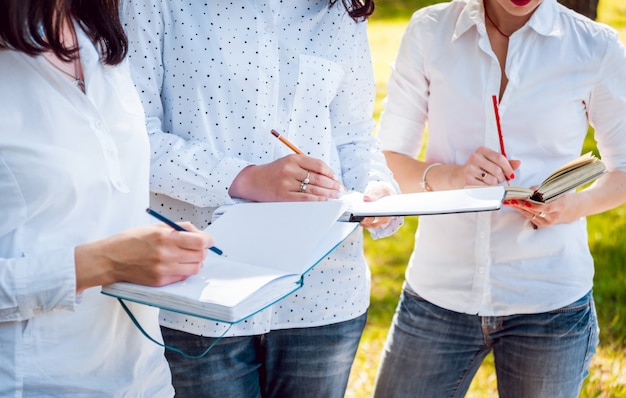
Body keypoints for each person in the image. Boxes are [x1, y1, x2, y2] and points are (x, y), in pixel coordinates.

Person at [123, 0, 401, 396]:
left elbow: (353, 134)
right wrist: (248, 179)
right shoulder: (154, 6)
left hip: (323, 290)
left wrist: (376, 187)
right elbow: (133, 138)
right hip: (204, 291)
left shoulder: (341, 11)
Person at [372, 0, 626, 396]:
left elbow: (623, 168)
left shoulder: (595, 45)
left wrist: (571, 206)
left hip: (549, 301)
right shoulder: (430, 30)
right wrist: (451, 176)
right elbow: (385, 158)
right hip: (439, 290)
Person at [0, 1, 214, 395]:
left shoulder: (98, 35)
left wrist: (157, 247)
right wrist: (99, 264)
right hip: (35, 383)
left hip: (143, 377)